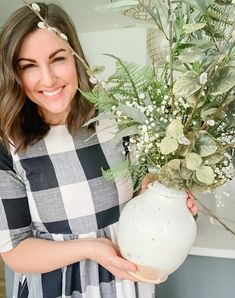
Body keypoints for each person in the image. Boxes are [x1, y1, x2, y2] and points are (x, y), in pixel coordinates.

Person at [0, 2, 197, 298]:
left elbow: (142, 199)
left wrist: (163, 199)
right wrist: (90, 249)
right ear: (14, 73)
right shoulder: (8, 145)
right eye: (28, 66)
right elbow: (15, 252)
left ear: (76, 56)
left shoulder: (118, 119)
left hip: (125, 283)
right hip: (55, 289)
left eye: (57, 59)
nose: (48, 79)